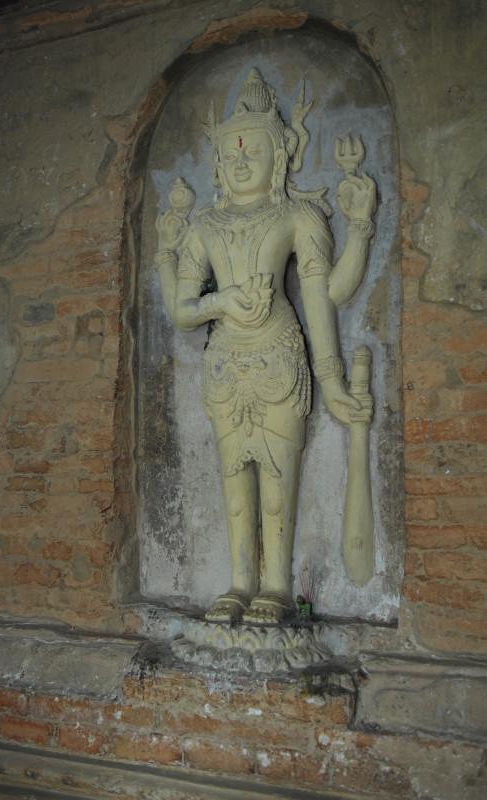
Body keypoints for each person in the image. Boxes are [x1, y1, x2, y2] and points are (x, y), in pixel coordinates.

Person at [155, 68, 376, 623]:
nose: (241, 161)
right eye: (232, 153)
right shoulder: (205, 225)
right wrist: (220, 302)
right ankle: (239, 583)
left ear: (279, 158)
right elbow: (182, 309)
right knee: (234, 487)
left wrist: (359, 225)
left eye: (254, 150)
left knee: (277, 483)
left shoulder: (296, 215)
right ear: (218, 165)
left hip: (280, 357)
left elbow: (328, 294)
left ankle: (275, 586)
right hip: (226, 366)